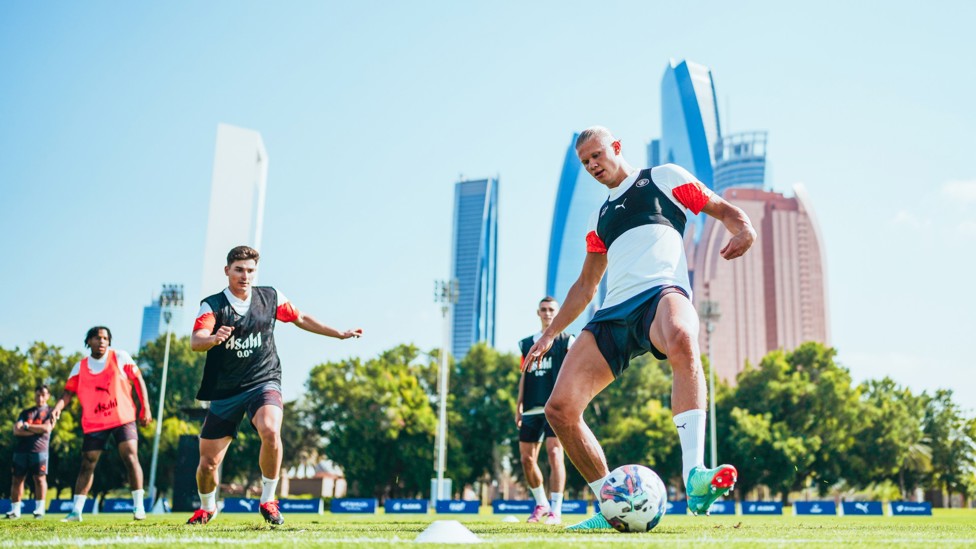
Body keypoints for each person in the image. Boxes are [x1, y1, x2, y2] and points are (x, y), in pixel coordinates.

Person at [522, 127, 756, 530]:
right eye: (585, 162)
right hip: (613, 313)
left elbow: (720, 208)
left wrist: (745, 228)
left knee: (683, 336)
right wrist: (548, 335)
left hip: (662, 293)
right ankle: (610, 508)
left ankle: (696, 475)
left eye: (597, 155)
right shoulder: (600, 220)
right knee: (560, 410)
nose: (592, 165)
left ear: (616, 147)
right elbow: (585, 286)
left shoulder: (664, 178)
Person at [187, 245, 363, 526]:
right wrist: (213, 338)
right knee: (207, 464)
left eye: (250, 271)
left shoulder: (270, 297)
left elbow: (301, 318)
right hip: (225, 390)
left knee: (270, 430)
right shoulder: (213, 305)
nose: (245, 276)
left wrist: (338, 334)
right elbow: (196, 341)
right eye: (239, 270)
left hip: (263, 379)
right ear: (227, 271)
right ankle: (207, 508)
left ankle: (268, 500)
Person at [51, 326, 153, 522]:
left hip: (123, 418)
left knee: (130, 457)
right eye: (97, 338)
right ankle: (76, 511)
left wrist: (145, 407)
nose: (102, 341)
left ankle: (138, 507)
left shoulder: (121, 357)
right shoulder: (79, 367)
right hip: (95, 421)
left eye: (106, 338)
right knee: (87, 463)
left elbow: (138, 379)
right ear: (88, 341)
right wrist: (57, 408)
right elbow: (67, 393)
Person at [517, 297, 573, 525]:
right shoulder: (526, 343)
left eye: (551, 310)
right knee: (526, 459)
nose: (547, 313)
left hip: (555, 407)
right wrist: (519, 404)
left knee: (554, 453)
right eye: (544, 309)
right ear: (538, 313)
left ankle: (556, 511)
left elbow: (573, 372)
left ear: (557, 313)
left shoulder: (566, 340)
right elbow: (524, 375)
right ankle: (541, 503)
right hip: (531, 407)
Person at [5, 385, 54, 520]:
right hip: (21, 451)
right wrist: (35, 431)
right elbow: (16, 430)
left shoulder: (51, 411)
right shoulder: (26, 412)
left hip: (40, 451)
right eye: (37, 394)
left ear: (48, 396)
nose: (40, 398)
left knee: (39, 479)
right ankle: (15, 511)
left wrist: (27, 426)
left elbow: (46, 428)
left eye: (43, 394)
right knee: (17, 480)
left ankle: (39, 509)